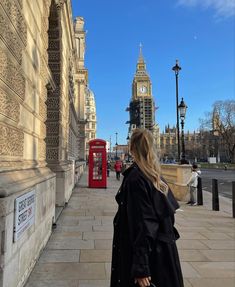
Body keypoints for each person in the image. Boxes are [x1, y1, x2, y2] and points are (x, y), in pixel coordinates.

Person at [110, 128, 184, 287]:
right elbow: (168, 217)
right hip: (164, 254)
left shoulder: (136, 178)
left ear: (132, 149)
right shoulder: (156, 177)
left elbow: (145, 223)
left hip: (150, 259)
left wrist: (141, 266)